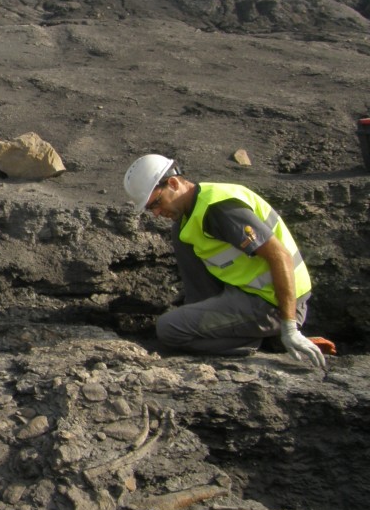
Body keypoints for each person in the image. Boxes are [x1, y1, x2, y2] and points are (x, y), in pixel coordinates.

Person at [123, 154, 328, 369]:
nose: (155, 213)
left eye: (156, 203)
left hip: (273, 301)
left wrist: (289, 328)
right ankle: (213, 322)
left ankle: (259, 340)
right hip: (246, 291)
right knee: (181, 235)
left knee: (169, 329)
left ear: (173, 183)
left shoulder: (219, 209)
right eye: (149, 208)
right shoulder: (192, 212)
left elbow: (280, 256)